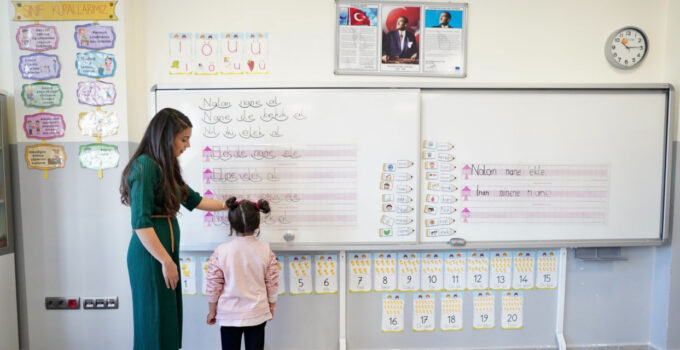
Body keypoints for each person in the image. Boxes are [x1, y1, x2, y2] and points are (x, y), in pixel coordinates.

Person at [120, 107, 230, 350]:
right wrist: (166, 262)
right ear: (165, 136)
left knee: (167, 319)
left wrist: (229, 205)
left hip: (162, 256)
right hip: (151, 256)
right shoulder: (145, 167)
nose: (187, 145)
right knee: (154, 319)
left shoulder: (164, 167)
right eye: (184, 139)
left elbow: (194, 200)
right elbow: (140, 223)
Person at [205, 197, 278, 350]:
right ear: (258, 223)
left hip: (229, 315)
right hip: (257, 313)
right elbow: (272, 282)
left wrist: (212, 310)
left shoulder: (221, 251)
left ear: (231, 224)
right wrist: (271, 305)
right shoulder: (266, 250)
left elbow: (213, 284)